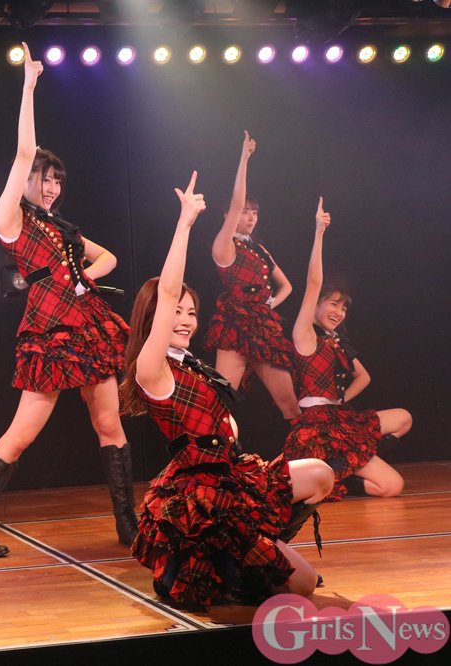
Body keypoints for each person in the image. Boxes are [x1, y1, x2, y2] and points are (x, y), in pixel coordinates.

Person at [120, 172, 334, 606]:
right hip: (204, 499)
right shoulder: (151, 369)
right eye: (176, 312)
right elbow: (166, 292)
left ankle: (262, 544)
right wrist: (185, 223)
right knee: (304, 586)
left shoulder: (191, 364)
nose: (185, 320)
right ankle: (229, 569)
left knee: (321, 474)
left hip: (233, 477)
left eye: (191, 312)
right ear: (155, 319)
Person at [0, 43, 134, 559]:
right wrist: (29, 86)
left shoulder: (61, 226)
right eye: (46, 178)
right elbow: (23, 154)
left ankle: (127, 526)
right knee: (22, 432)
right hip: (50, 327)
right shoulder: (11, 219)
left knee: (109, 424)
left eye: (58, 179)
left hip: (86, 322)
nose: (52, 186)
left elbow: (109, 259)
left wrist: (82, 278)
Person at [283, 198, 412, 500]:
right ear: (316, 305)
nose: (339, 312)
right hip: (318, 428)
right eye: (333, 304)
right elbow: (313, 282)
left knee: (404, 418)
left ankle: (346, 463)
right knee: (392, 486)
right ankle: (337, 475)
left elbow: (364, 377)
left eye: (343, 308)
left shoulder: (336, 342)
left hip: (339, 417)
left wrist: (341, 400)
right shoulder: (305, 335)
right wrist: (319, 232)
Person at [204, 132, 299, 419]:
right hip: (234, 327)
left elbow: (287, 286)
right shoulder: (224, 245)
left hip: (263, 328)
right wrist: (244, 159)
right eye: (245, 212)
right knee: (221, 401)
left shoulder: (259, 248)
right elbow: (236, 203)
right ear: (228, 216)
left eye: (254, 213)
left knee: (290, 406)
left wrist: (269, 305)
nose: (250, 217)